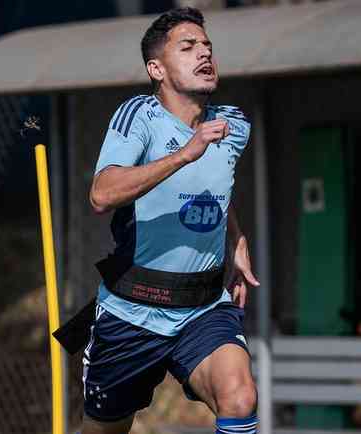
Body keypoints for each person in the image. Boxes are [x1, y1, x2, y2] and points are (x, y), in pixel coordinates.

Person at [82, 7, 260, 434]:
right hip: (131, 312)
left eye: (207, 46)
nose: (204, 54)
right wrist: (184, 152)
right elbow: (102, 194)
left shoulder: (232, 125)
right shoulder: (139, 116)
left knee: (239, 395)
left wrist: (235, 240)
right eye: (188, 46)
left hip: (201, 307)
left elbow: (215, 186)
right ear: (156, 68)